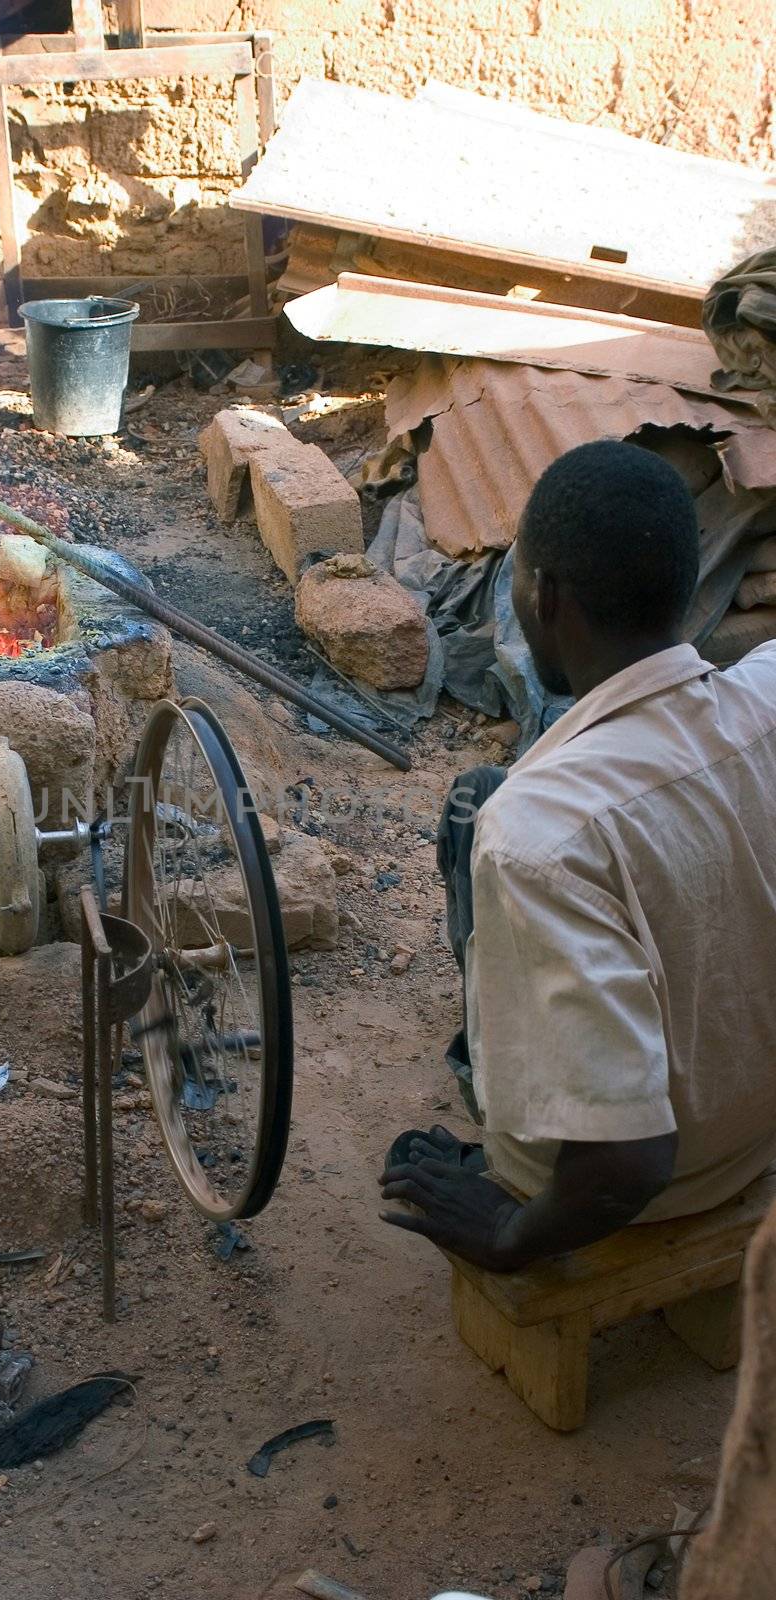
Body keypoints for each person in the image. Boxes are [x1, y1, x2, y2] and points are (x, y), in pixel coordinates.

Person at [380, 438, 776, 1272]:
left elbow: (627, 1165)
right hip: (759, 1125)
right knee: (483, 796)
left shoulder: (538, 834)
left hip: (658, 1182)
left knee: (485, 813)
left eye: (518, 577)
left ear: (546, 594)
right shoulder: (768, 689)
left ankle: (502, 1096)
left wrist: (508, 1234)